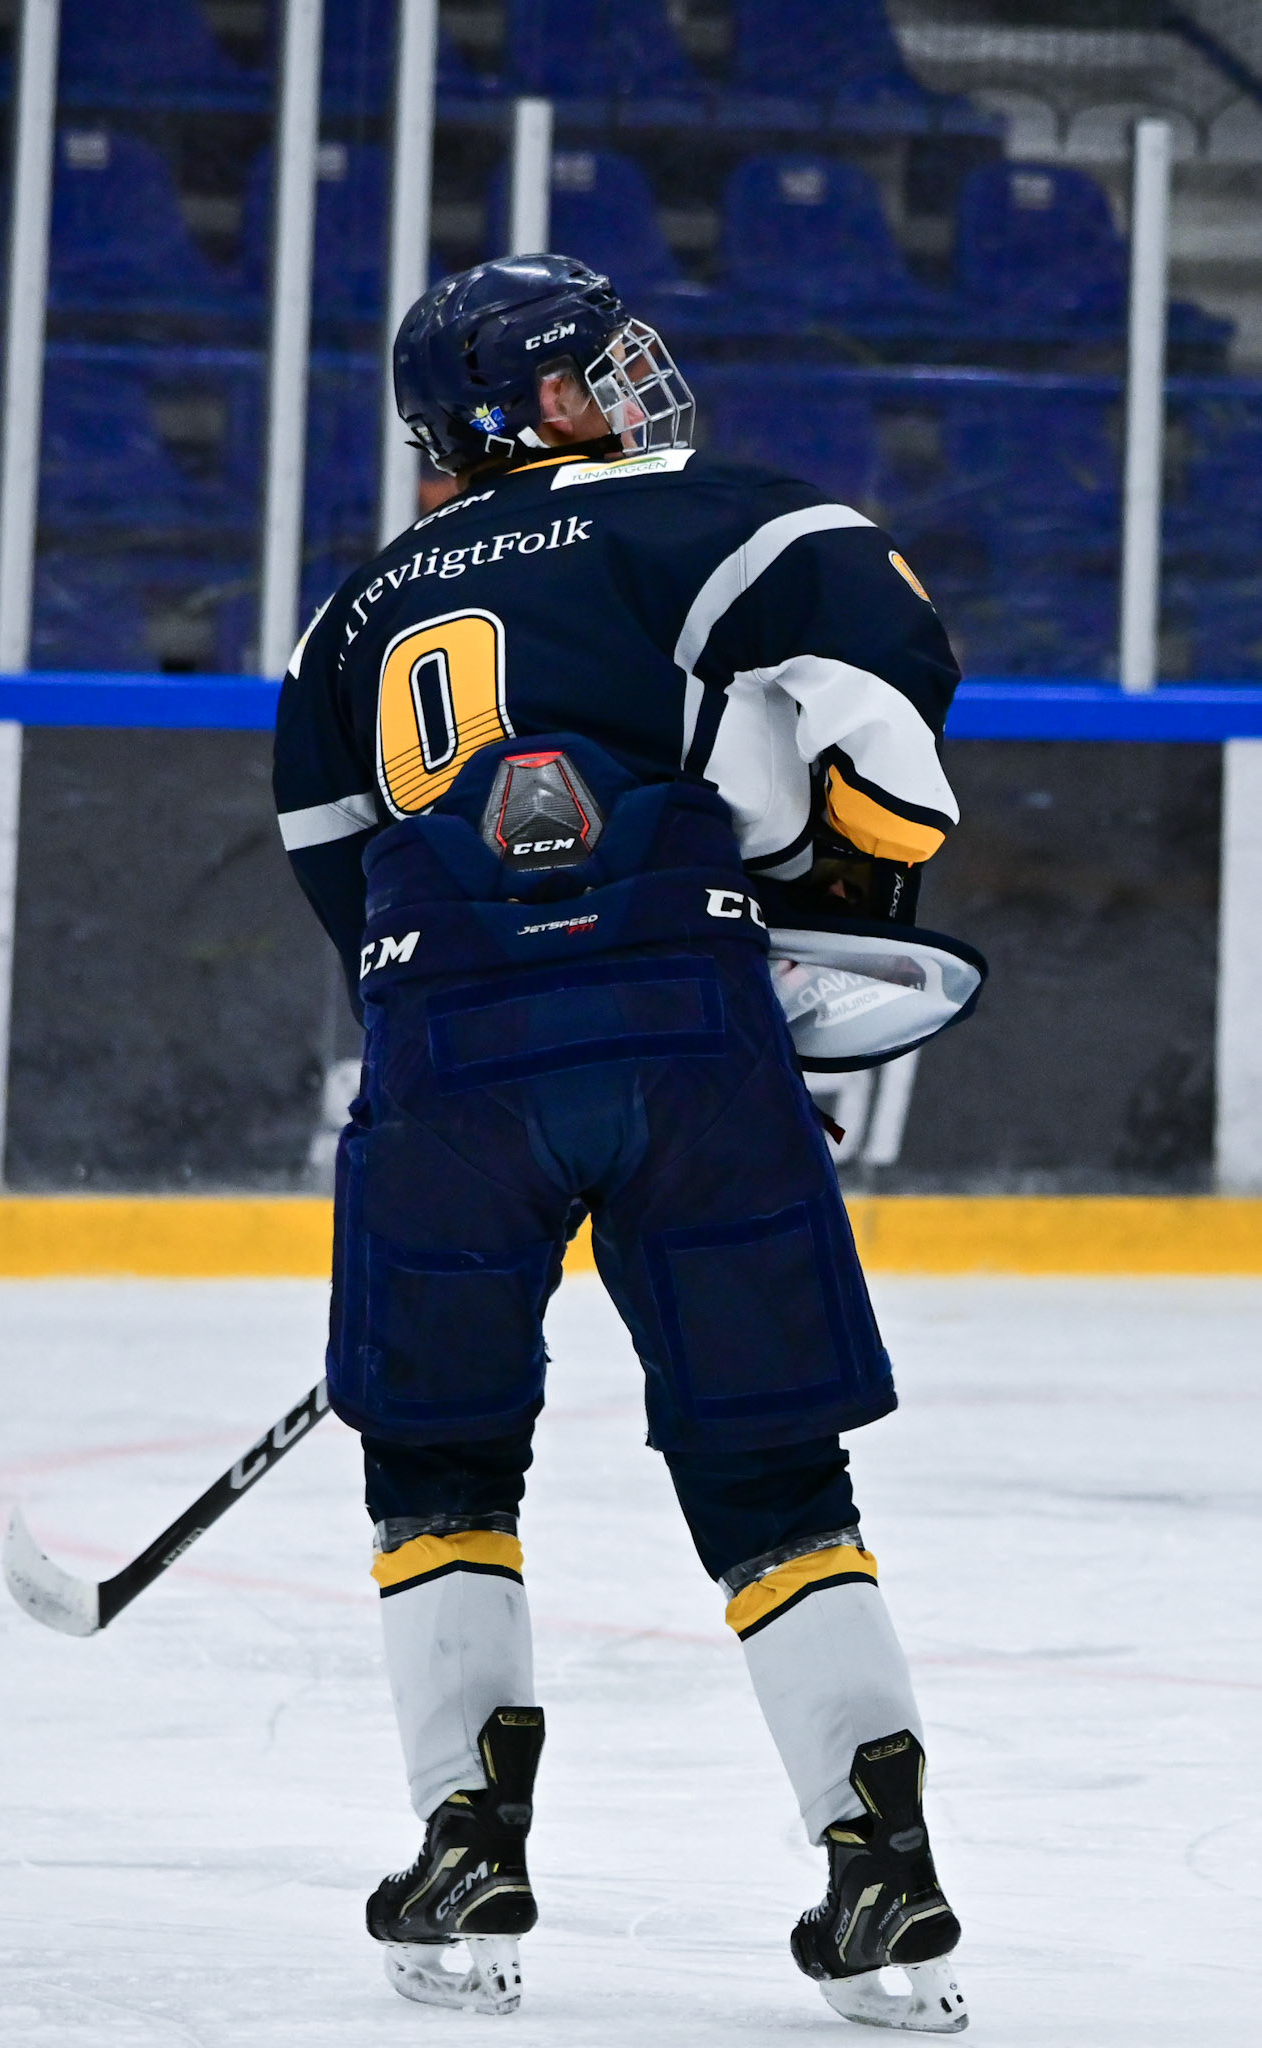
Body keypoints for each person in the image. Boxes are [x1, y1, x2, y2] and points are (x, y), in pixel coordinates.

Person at [273, 254, 975, 2033]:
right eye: (588, 373)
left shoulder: (345, 618)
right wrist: (827, 897)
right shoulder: (718, 512)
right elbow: (893, 698)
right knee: (771, 1471)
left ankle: (465, 1844)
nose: (629, 392)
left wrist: (476, 1035)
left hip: (449, 1058)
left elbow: (342, 880)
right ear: (518, 411)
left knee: (438, 1466)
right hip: (686, 1028)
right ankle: (880, 1868)